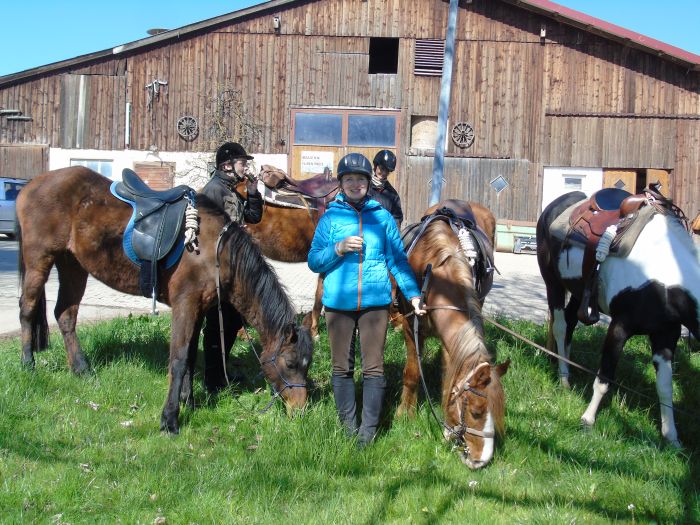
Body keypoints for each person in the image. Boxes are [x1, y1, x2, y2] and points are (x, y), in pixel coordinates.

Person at [308, 152, 426, 446]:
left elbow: (398, 260)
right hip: (338, 304)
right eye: (349, 179)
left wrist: (413, 295)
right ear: (341, 183)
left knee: (373, 368)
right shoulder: (330, 218)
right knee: (341, 368)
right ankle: (348, 427)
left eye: (360, 179)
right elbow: (314, 261)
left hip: (375, 303)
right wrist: (338, 248)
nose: (355, 184)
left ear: (367, 183)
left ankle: (368, 433)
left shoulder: (383, 218)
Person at [199, 141, 263, 393]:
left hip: (232, 269)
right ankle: (213, 380)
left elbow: (253, 217)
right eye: (242, 162)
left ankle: (221, 371)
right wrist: (235, 233)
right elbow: (207, 232)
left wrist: (254, 190)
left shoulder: (231, 189)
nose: (245, 166)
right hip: (216, 271)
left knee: (233, 320)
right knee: (218, 324)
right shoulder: (213, 190)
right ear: (227, 165)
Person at [368, 149, 403, 228]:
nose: (384, 173)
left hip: (383, 234)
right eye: (382, 168)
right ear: (375, 166)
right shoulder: (364, 187)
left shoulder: (392, 194)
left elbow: (397, 217)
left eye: (387, 171)